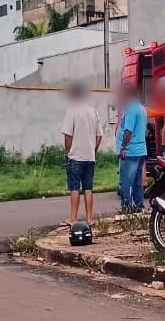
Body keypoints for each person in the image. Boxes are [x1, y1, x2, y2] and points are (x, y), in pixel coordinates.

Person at [60, 82, 103, 226]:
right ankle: (89, 219)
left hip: (75, 156)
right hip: (90, 157)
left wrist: (68, 152)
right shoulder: (93, 112)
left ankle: (73, 218)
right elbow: (99, 136)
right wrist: (93, 150)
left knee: (74, 188)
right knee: (88, 188)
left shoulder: (72, 110)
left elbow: (68, 135)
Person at [116, 83, 147, 213]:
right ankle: (139, 205)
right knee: (137, 181)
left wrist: (123, 148)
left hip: (130, 151)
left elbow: (128, 130)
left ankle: (126, 207)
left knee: (126, 181)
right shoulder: (141, 108)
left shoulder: (131, 109)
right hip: (140, 150)